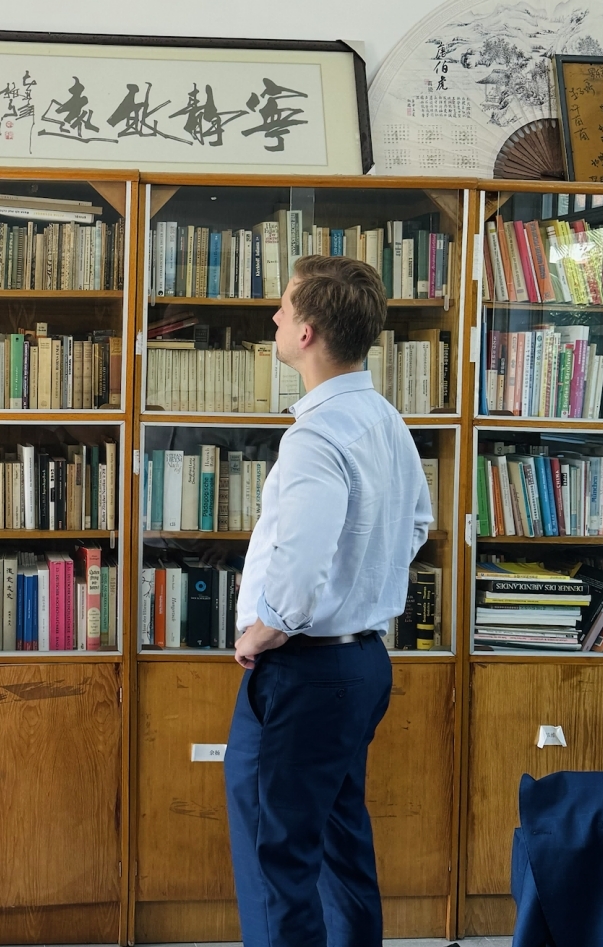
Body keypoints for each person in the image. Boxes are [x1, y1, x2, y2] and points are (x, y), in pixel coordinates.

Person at [224, 255, 432, 947]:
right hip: (362, 664)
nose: (274, 318)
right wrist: (362, 582)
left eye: (284, 309)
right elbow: (417, 523)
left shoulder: (315, 435)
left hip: (303, 671)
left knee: (274, 859)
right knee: (341, 848)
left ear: (307, 333)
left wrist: (265, 629)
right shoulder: (384, 418)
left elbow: (302, 556)